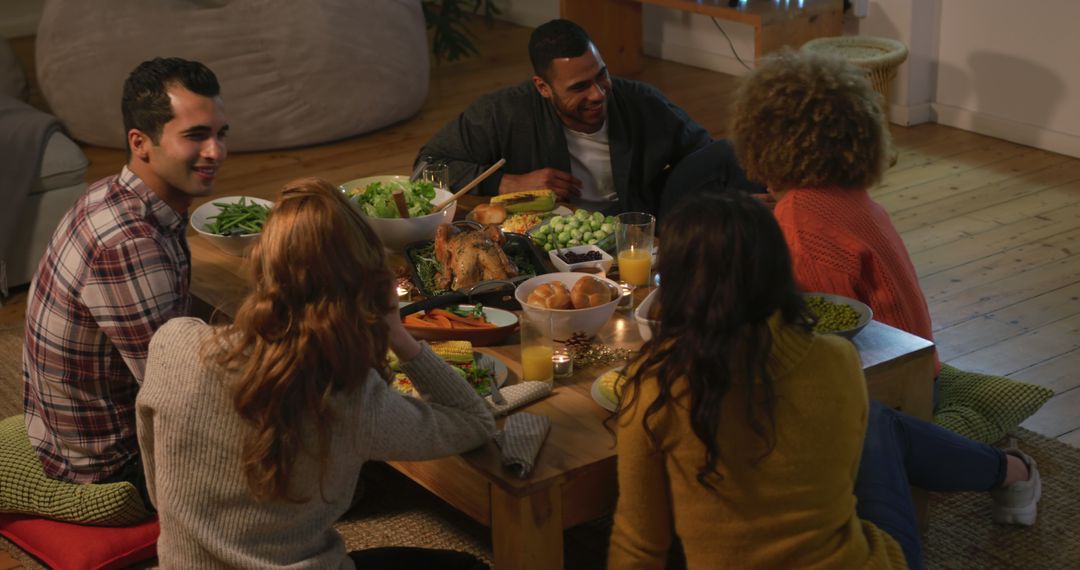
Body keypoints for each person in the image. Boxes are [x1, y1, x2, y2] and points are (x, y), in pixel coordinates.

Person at [607, 192, 1041, 570]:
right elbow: (843, 484)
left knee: (876, 424)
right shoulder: (834, 358)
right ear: (778, 273)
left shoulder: (654, 387)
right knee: (878, 422)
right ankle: (1011, 472)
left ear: (675, 286)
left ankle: (1009, 472)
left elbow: (639, 546)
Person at [136, 178, 494, 569]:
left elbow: (158, 492)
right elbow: (474, 421)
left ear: (261, 265)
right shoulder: (351, 398)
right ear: (366, 286)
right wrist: (398, 335)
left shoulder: (172, 344)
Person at [22, 58, 227, 496]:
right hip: (114, 463)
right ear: (141, 142)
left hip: (68, 428)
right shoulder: (129, 245)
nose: (216, 151)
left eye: (218, 134)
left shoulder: (108, 192)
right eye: (196, 136)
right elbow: (184, 397)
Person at [729, 49, 939, 373]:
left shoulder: (800, 221)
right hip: (921, 369)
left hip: (886, 385)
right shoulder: (852, 197)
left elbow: (823, 340)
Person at [416, 19, 757, 215]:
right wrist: (509, 182)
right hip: (553, 234)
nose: (597, 93)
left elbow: (702, 155)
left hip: (638, 226)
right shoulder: (504, 111)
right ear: (543, 87)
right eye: (579, 87)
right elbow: (426, 165)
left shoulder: (640, 102)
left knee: (731, 152)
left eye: (601, 75)